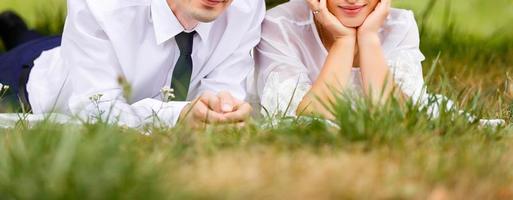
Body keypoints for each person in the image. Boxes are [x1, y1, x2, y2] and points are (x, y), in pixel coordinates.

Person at [0, 0, 265, 128]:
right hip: (32, 79)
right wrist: (179, 116)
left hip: (94, 51)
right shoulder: (102, 6)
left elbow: (224, 95)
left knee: (38, 39)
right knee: (32, 50)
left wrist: (222, 112)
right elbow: (95, 109)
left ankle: (17, 29)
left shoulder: (246, 7)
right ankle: (13, 28)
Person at [254, 0, 426, 118]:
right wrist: (343, 41)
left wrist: (369, 38)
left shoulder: (399, 25)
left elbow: (396, 117)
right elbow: (310, 119)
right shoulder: (280, 26)